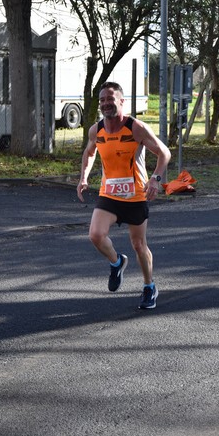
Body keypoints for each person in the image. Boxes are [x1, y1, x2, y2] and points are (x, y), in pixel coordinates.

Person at [77, 81, 171, 309]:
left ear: (121, 101)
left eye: (110, 99)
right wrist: (83, 177)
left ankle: (149, 286)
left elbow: (164, 153)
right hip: (109, 194)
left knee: (139, 245)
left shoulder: (135, 127)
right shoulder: (96, 129)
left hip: (136, 195)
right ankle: (117, 262)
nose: (106, 104)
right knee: (95, 235)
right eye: (102, 100)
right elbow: (89, 154)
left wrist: (155, 179)